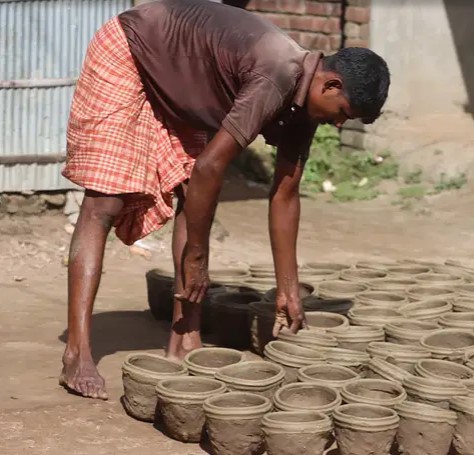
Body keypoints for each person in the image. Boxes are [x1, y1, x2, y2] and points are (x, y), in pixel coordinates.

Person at [59, 0, 390, 400]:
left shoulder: (305, 105)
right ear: (331, 85)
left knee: (189, 192)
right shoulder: (276, 75)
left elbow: (285, 193)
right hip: (133, 49)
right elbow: (210, 169)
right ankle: (76, 354)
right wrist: (196, 258)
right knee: (104, 204)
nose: (339, 124)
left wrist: (286, 289)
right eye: (343, 113)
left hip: (187, 82)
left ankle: (184, 339)